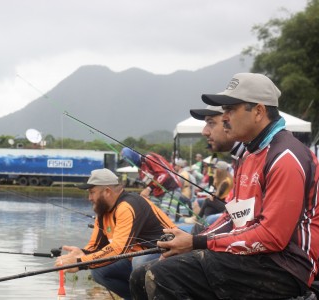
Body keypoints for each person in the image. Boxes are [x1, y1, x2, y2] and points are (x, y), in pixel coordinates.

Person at [130, 73, 319, 299]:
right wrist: (191, 241)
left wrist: (198, 242)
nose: (225, 117)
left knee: (162, 275)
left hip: (286, 266)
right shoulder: (250, 155)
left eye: (230, 109)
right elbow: (233, 216)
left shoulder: (285, 157)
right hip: (258, 257)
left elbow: (272, 236)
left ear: (258, 111)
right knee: (140, 277)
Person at [55, 168, 176, 300]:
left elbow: (118, 249)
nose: (89, 198)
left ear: (107, 191)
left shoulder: (127, 206)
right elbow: (95, 247)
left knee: (139, 260)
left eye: (92, 192)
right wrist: (82, 254)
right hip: (140, 257)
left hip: (171, 252)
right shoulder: (103, 212)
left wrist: (80, 262)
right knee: (99, 271)